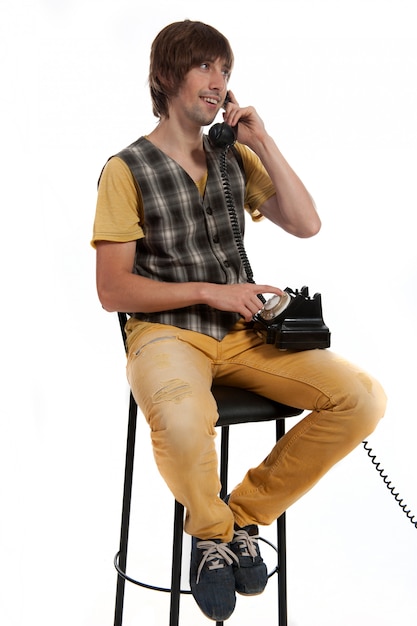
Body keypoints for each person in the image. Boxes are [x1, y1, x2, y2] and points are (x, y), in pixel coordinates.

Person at [92, 20, 386, 622]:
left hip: (246, 335)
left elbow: (306, 224)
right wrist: (215, 294)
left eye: (225, 72)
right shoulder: (126, 170)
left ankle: (235, 521)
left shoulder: (233, 158)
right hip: (166, 333)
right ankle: (210, 534)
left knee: (362, 398)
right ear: (167, 76)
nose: (217, 81)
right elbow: (111, 288)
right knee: (181, 415)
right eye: (205, 67)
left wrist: (263, 138)